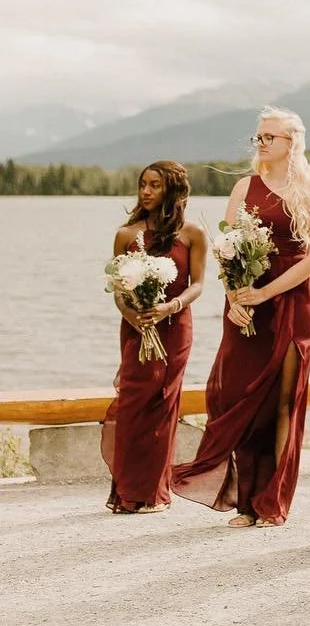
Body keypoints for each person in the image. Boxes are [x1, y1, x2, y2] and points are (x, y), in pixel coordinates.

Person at [171, 107, 310, 527]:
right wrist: (236, 297)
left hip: (292, 302)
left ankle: (272, 503)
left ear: (291, 143)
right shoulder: (245, 187)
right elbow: (227, 249)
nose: (260, 144)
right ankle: (246, 502)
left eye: (269, 138)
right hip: (244, 303)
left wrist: (265, 293)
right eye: (258, 137)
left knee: (282, 403)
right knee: (241, 398)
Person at [101, 161, 207, 514]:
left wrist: (169, 307)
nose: (145, 191)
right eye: (142, 184)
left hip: (175, 327)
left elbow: (198, 286)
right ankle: (128, 491)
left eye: (154, 185)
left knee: (163, 404)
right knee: (133, 402)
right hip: (136, 327)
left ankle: (154, 492)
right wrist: (136, 317)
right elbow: (118, 290)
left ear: (172, 191)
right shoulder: (125, 234)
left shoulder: (192, 234)